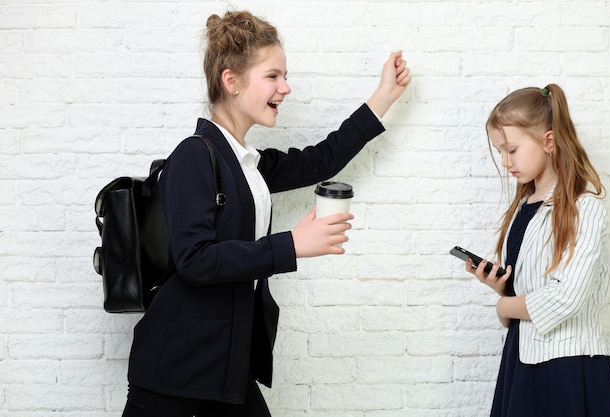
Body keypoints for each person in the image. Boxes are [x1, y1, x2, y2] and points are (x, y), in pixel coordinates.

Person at [121, 9, 411, 417]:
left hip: (225, 363)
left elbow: (319, 161)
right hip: (176, 362)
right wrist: (291, 245)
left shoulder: (248, 165)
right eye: (273, 76)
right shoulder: (194, 156)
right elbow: (195, 261)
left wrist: (383, 97)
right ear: (231, 81)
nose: (286, 87)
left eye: (285, 76)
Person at [466, 84, 610, 417]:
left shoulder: (585, 209)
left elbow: (566, 297)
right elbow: (538, 287)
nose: (506, 162)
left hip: (568, 366)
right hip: (522, 360)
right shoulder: (524, 206)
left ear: (548, 141)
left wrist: (504, 305)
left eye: (512, 149)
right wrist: (503, 286)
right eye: (500, 152)